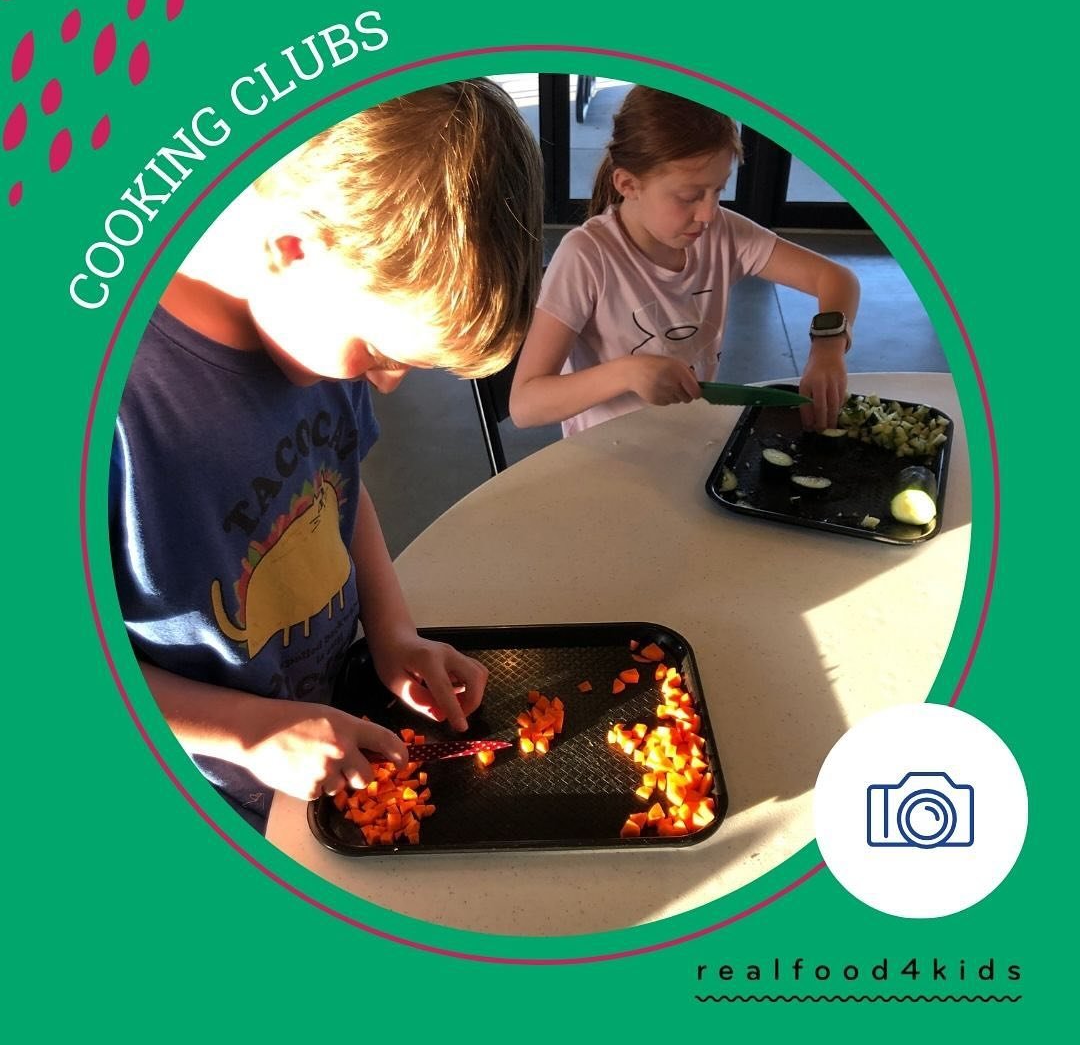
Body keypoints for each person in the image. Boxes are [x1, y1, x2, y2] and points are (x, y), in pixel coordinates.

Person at [109, 79, 543, 832]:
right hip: (209, 785)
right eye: (378, 348)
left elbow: (340, 486)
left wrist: (393, 630)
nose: (386, 380)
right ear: (291, 250)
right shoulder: (117, 406)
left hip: (325, 709)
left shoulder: (308, 325)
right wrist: (248, 732)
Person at [509, 85, 860, 437]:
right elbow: (525, 404)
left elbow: (836, 279)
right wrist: (627, 373)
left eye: (718, 191)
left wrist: (828, 348)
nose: (708, 214)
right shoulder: (587, 256)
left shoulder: (723, 234)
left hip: (687, 441)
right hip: (605, 456)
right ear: (628, 184)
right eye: (690, 196)